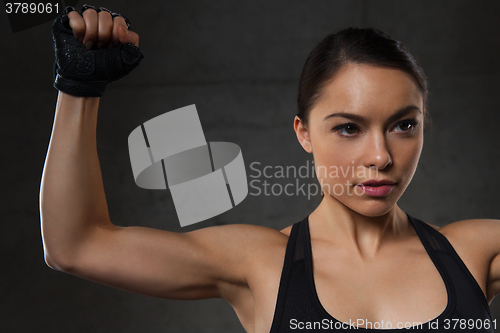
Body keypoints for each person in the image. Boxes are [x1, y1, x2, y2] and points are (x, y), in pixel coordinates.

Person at [40, 5, 500, 333]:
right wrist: (80, 87)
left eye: (403, 125)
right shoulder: (260, 262)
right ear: (303, 133)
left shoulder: (473, 252)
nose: (380, 156)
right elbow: (76, 245)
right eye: (348, 129)